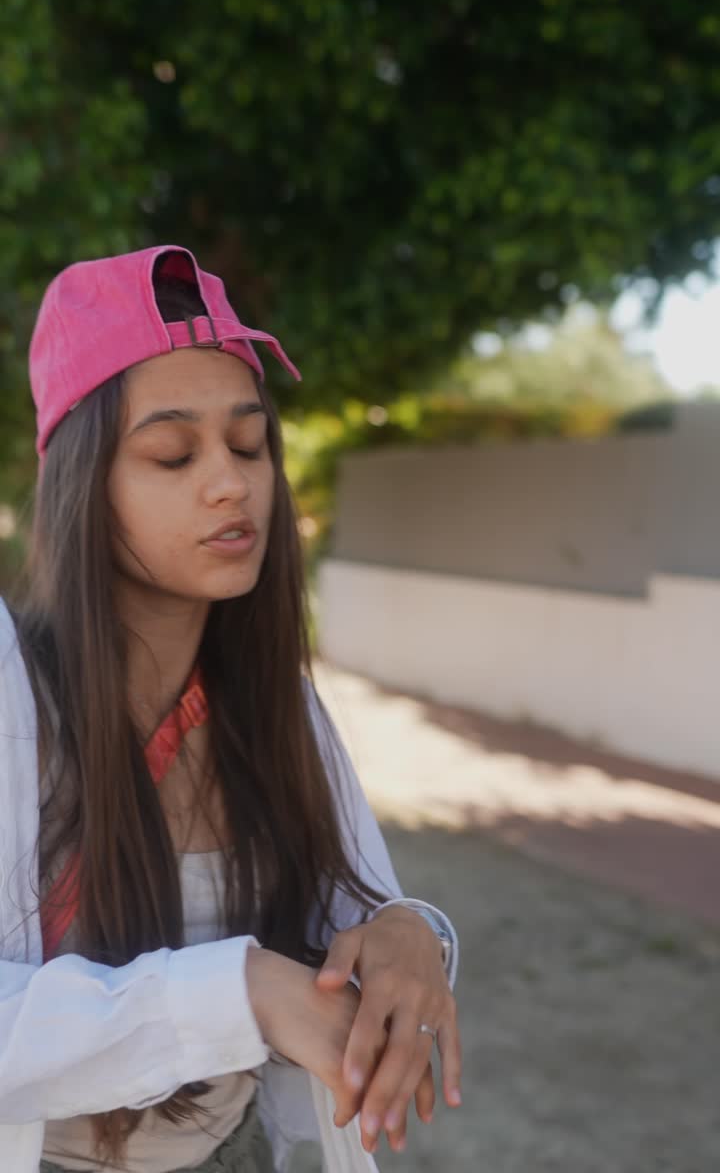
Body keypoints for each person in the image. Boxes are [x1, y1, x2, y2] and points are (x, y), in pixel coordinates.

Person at [0, 245, 462, 1173]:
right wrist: (240, 989)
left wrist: (413, 931)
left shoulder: (274, 700)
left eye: (249, 446)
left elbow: (358, 907)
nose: (230, 482)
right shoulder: (13, 691)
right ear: (84, 485)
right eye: (173, 453)